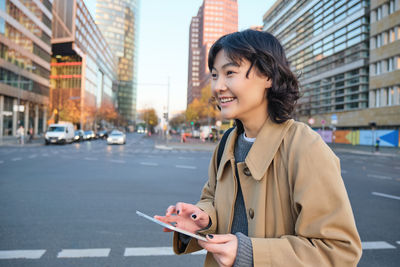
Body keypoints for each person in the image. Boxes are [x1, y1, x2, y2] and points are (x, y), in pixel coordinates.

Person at [155, 30, 362, 267]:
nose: (218, 86)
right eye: (214, 75)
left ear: (268, 76)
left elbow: (338, 250)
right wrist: (201, 219)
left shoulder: (304, 147)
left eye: (230, 73)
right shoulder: (226, 143)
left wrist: (250, 253)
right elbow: (212, 199)